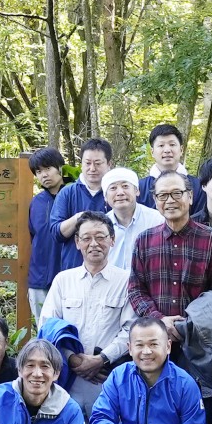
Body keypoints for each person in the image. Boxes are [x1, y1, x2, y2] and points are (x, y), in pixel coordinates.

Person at [129, 169, 212, 390]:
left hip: (200, 343)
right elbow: (136, 290)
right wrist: (159, 320)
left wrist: (185, 325)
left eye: (177, 193)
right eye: (163, 195)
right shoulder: (144, 241)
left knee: (197, 404)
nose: (170, 200)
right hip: (155, 341)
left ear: (190, 197)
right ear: (155, 201)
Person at [40, 213, 134, 386]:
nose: (94, 244)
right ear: (77, 242)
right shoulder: (63, 280)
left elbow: (130, 329)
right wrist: (73, 359)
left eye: (100, 237)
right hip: (67, 376)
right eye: (86, 238)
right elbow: (47, 326)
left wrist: (102, 359)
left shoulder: (126, 281)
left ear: (112, 240)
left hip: (108, 377)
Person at [47, 139, 116, 273]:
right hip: (74, 269)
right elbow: (56, 232)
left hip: (112, 271)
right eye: (87, 163)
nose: (92, 168)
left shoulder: (117, 193)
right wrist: (79, 218)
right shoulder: (67, 193)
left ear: (109, 164)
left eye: (98, 163)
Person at [25, 146, 67, 318]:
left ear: (60, 168)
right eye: (38, 171)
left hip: (67, 277)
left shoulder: (73, 194)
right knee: (43, 332)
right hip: (39, 277)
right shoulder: (37, 202)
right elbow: (32, 235)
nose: (44, 175)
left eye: (48, 168)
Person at [136, 123, 204, 213]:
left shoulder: (197, 186)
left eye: (172, 144)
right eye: (161, 145)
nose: (167, 150)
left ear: (181, 150)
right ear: (152, 152)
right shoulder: (140, 187)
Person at [101, 166, 161, 262]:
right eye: (113, 188)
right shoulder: (101, 225)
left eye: (125, 186)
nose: (120, 193)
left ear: (137, 191)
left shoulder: (157, 220)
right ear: (105, 197)